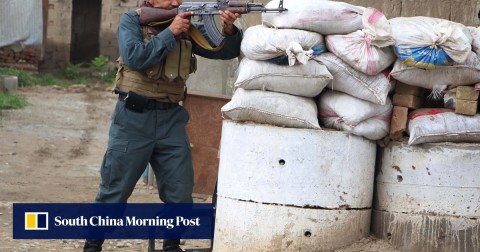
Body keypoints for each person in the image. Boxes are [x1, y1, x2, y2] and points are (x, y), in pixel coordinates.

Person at [83, 0, 242, 251]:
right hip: (133, 119)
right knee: (115, 190)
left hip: (171, 119)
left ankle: (171, 245)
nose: (177, 2)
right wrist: (170, 33)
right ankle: (92, 245)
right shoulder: (133, 21)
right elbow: (135, 57)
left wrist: (229, 29)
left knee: (180, 191)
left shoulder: (188, 26)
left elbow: (222, 51)